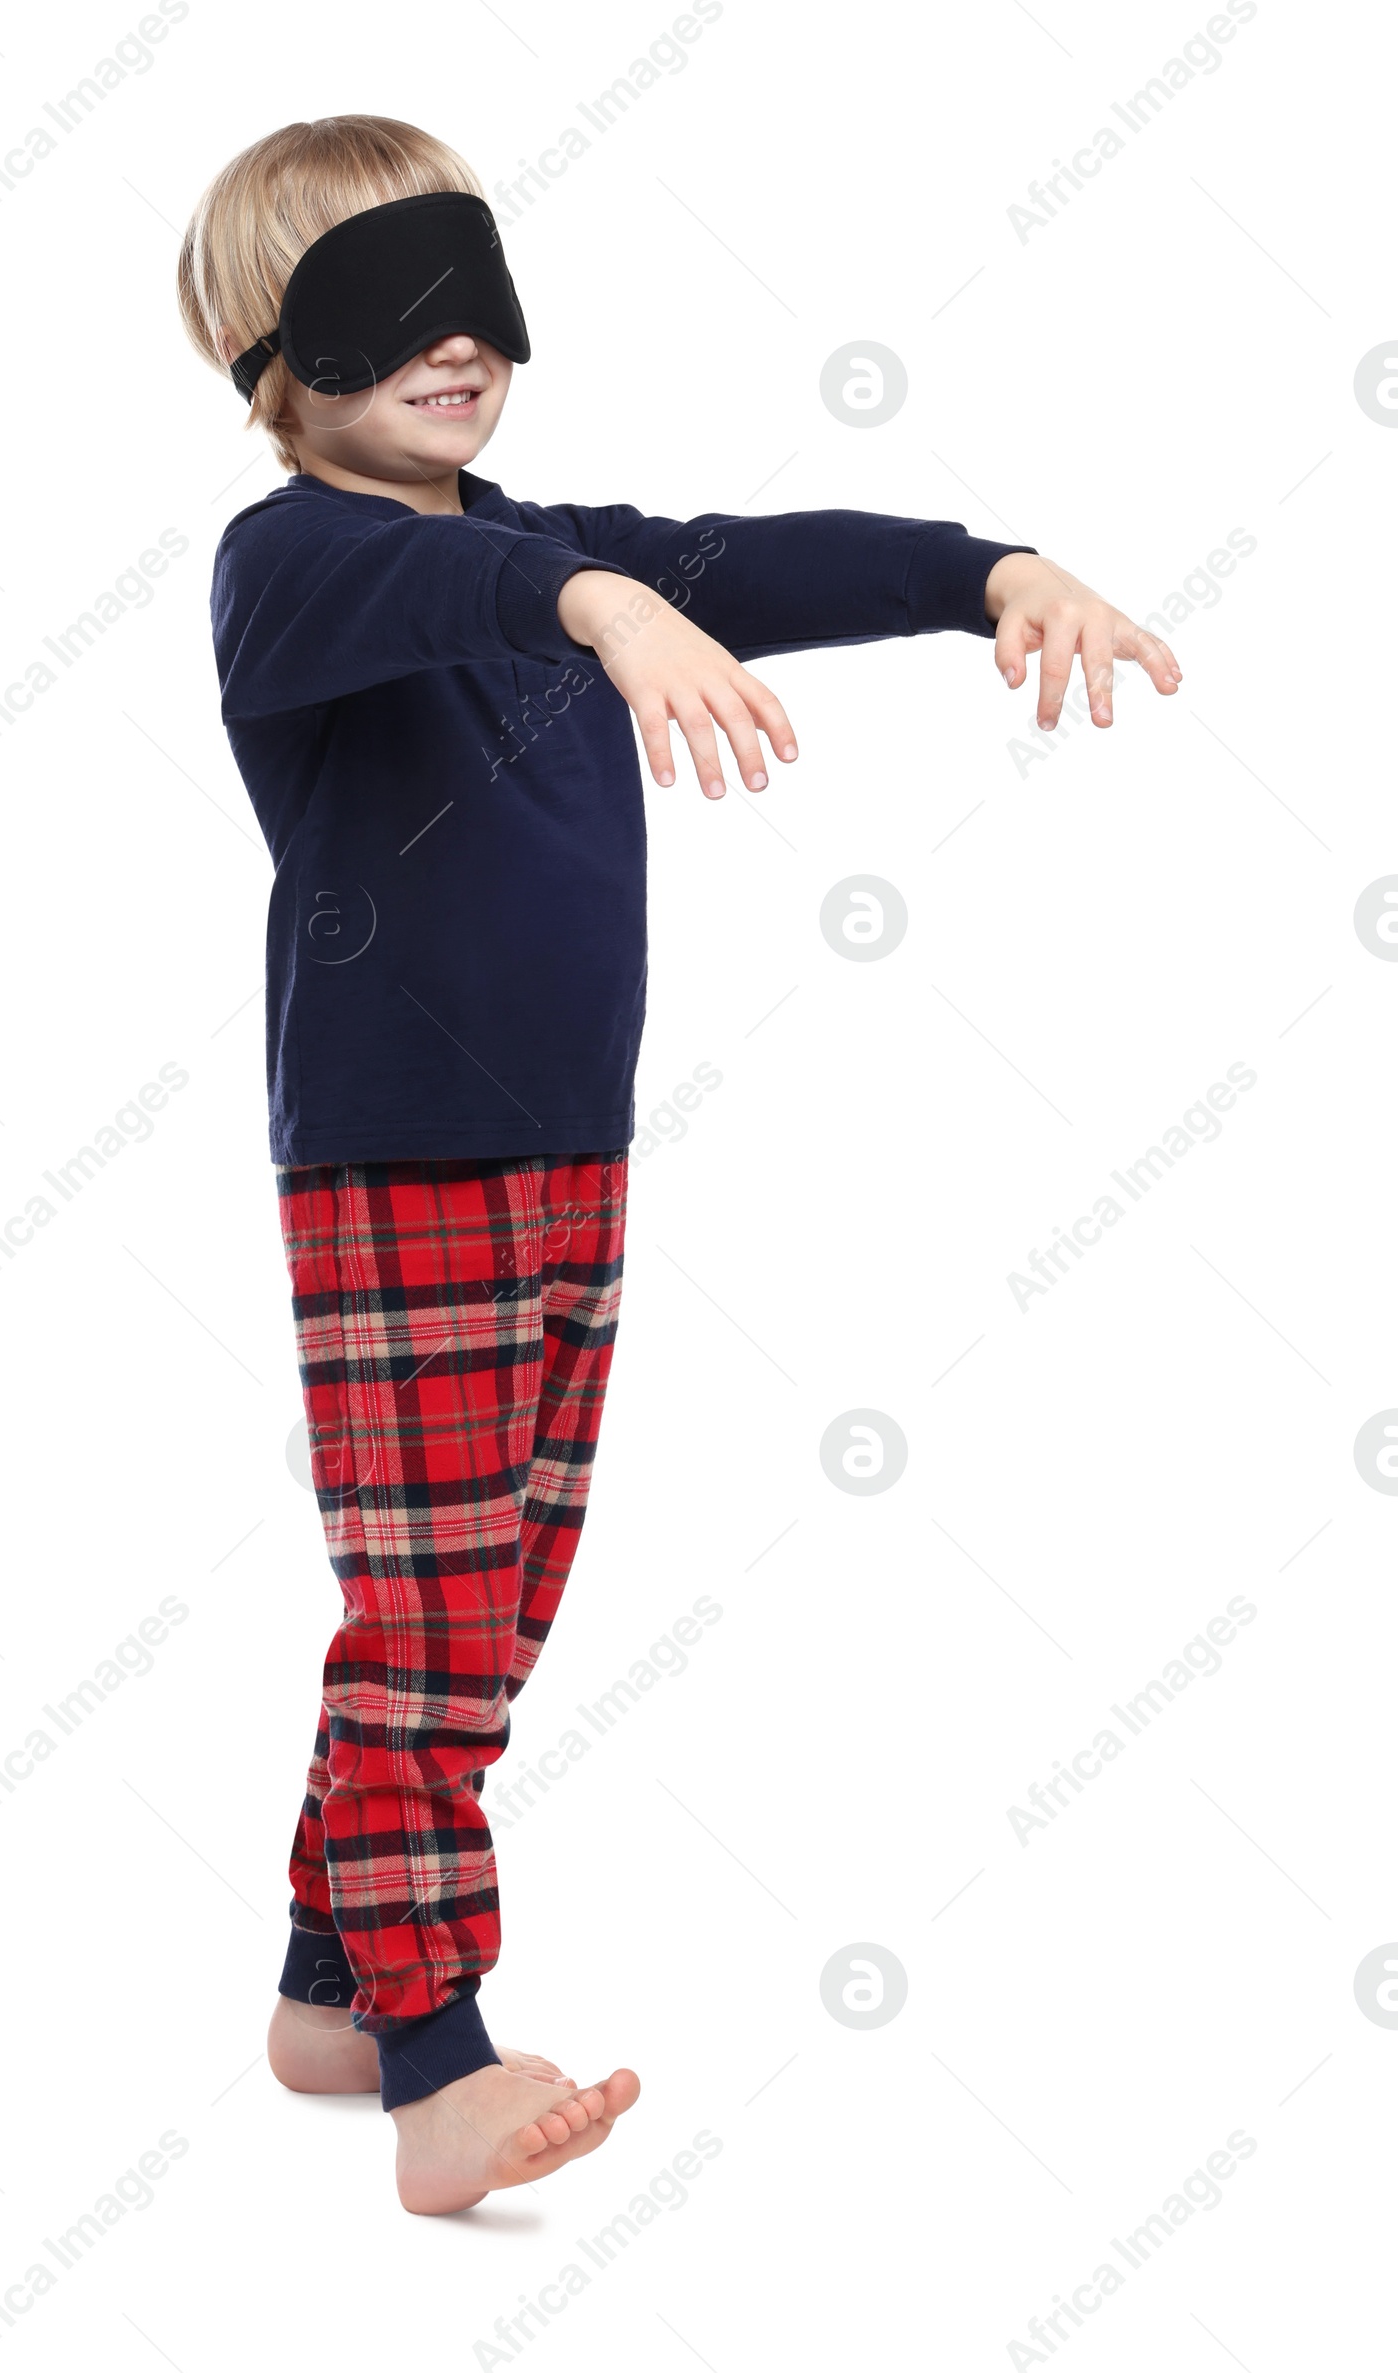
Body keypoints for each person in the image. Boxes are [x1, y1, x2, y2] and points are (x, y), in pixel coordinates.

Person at [177, 111, 1181, 2217]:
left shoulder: (545, 538)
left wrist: (981, 568)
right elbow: (455, 575)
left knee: (484, 1603)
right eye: (386, 305)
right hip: (401, 1168)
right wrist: (593, 600)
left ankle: (323, 1976)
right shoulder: (295, 564)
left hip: (570, 1159)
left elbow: (764, 549)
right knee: (434, 1613)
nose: (453, 342)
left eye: (472, 293)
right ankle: (434, 2062)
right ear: (279, 354)